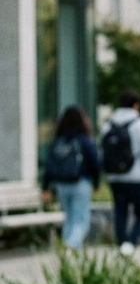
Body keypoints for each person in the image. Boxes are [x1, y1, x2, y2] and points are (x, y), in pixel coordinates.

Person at [101, 90, 140, 256]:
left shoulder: (108, 126)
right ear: (136, 105)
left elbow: (104, 152)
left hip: (115, 178)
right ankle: (131, 242)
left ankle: (122, 244)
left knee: (120, 212)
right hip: (136, 177)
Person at [42, 105, 100, 250]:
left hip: (61, 185)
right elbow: (95, 163)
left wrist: (45, 187)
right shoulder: (84, 140)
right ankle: (71, 246)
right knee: (81, 221)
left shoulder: (58, 140)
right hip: (80, 183)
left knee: (68, 220)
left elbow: (49, 165)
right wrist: (96, 183)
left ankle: (68, 257)